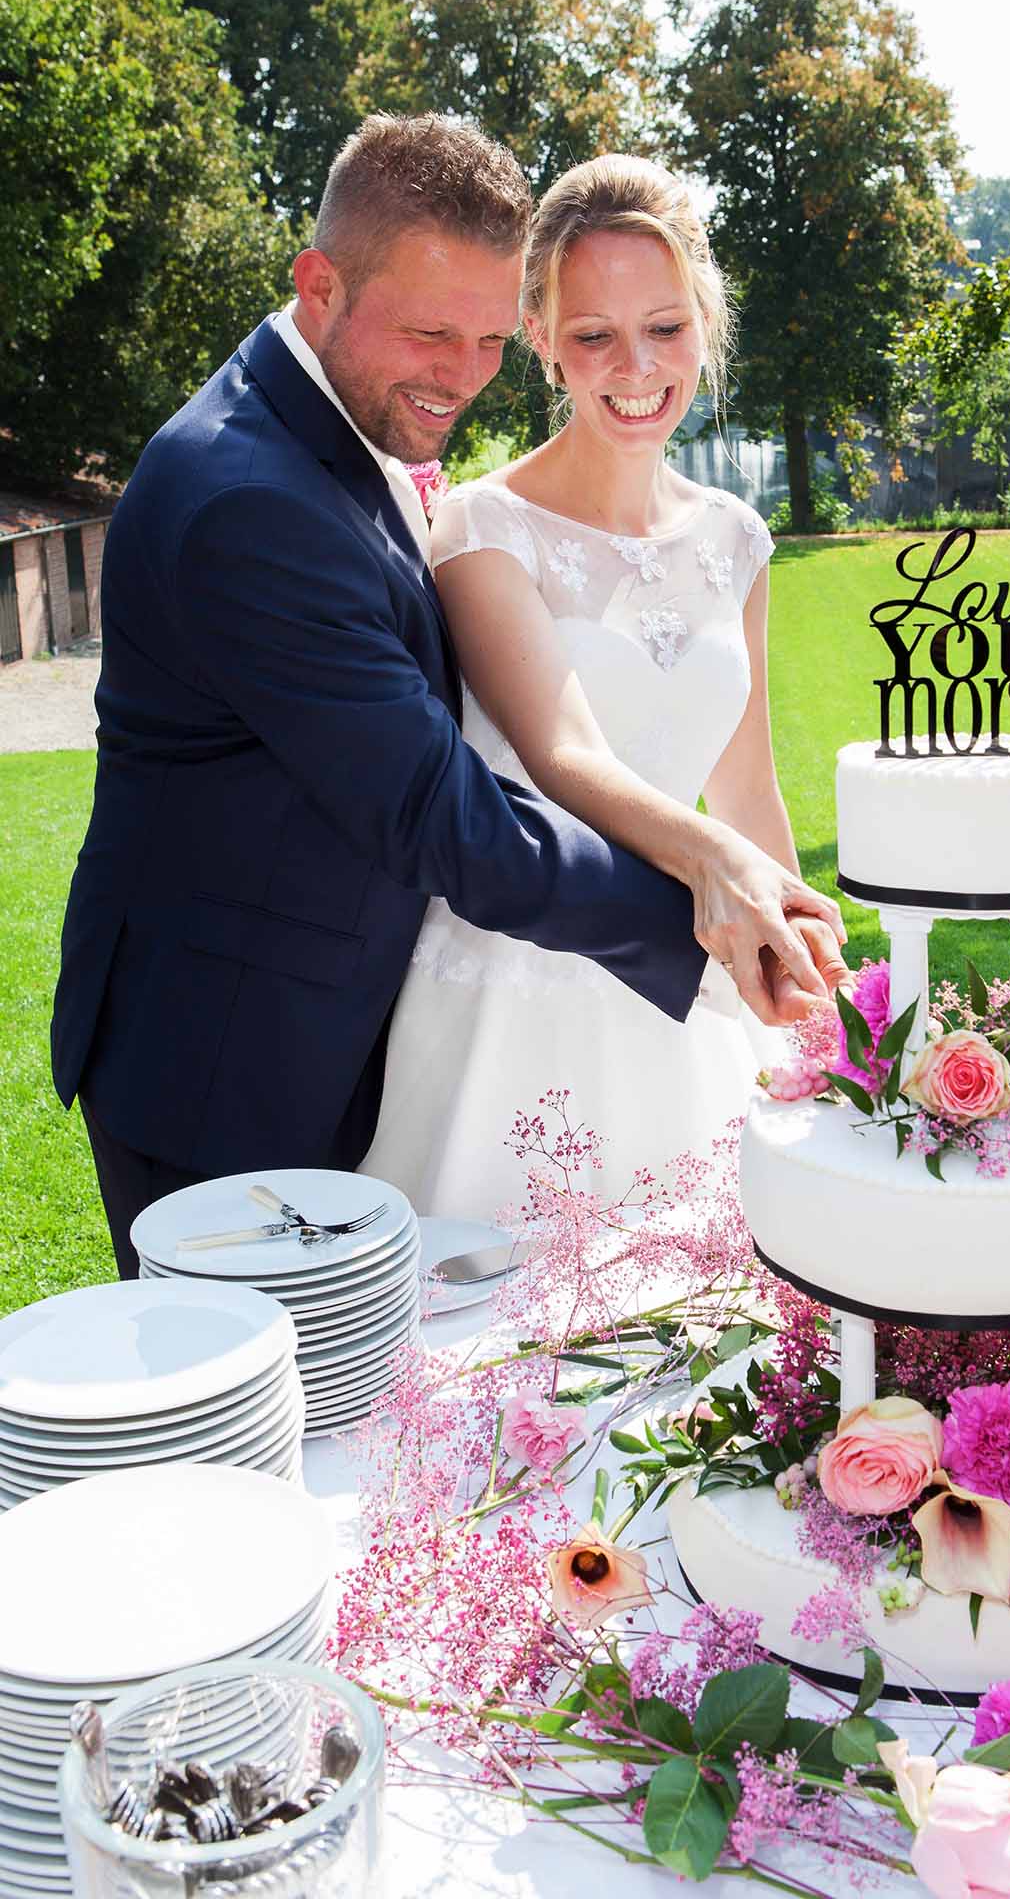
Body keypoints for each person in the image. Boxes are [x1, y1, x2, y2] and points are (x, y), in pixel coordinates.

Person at [51, 115, 842, 1277]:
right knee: (288, 1415)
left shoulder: (326, 426)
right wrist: (715, 915)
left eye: (482, 336)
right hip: (228, 1054)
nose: (465, 376)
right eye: (432, 333)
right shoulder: (247, 492)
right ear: (318, 284)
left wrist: (771, 916)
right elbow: (440, 809)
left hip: (336, 1018)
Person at [362, 153, 826, 1223]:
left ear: (704, 324)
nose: (635, 365)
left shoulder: (735, 539)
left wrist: (796, 951)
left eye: (665, 327)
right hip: (519, 996)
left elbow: (748, 793)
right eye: (593, 334)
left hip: (701, 992)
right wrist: (721, 869)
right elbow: (566, 758)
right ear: (540, 337)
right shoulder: (479, 528)